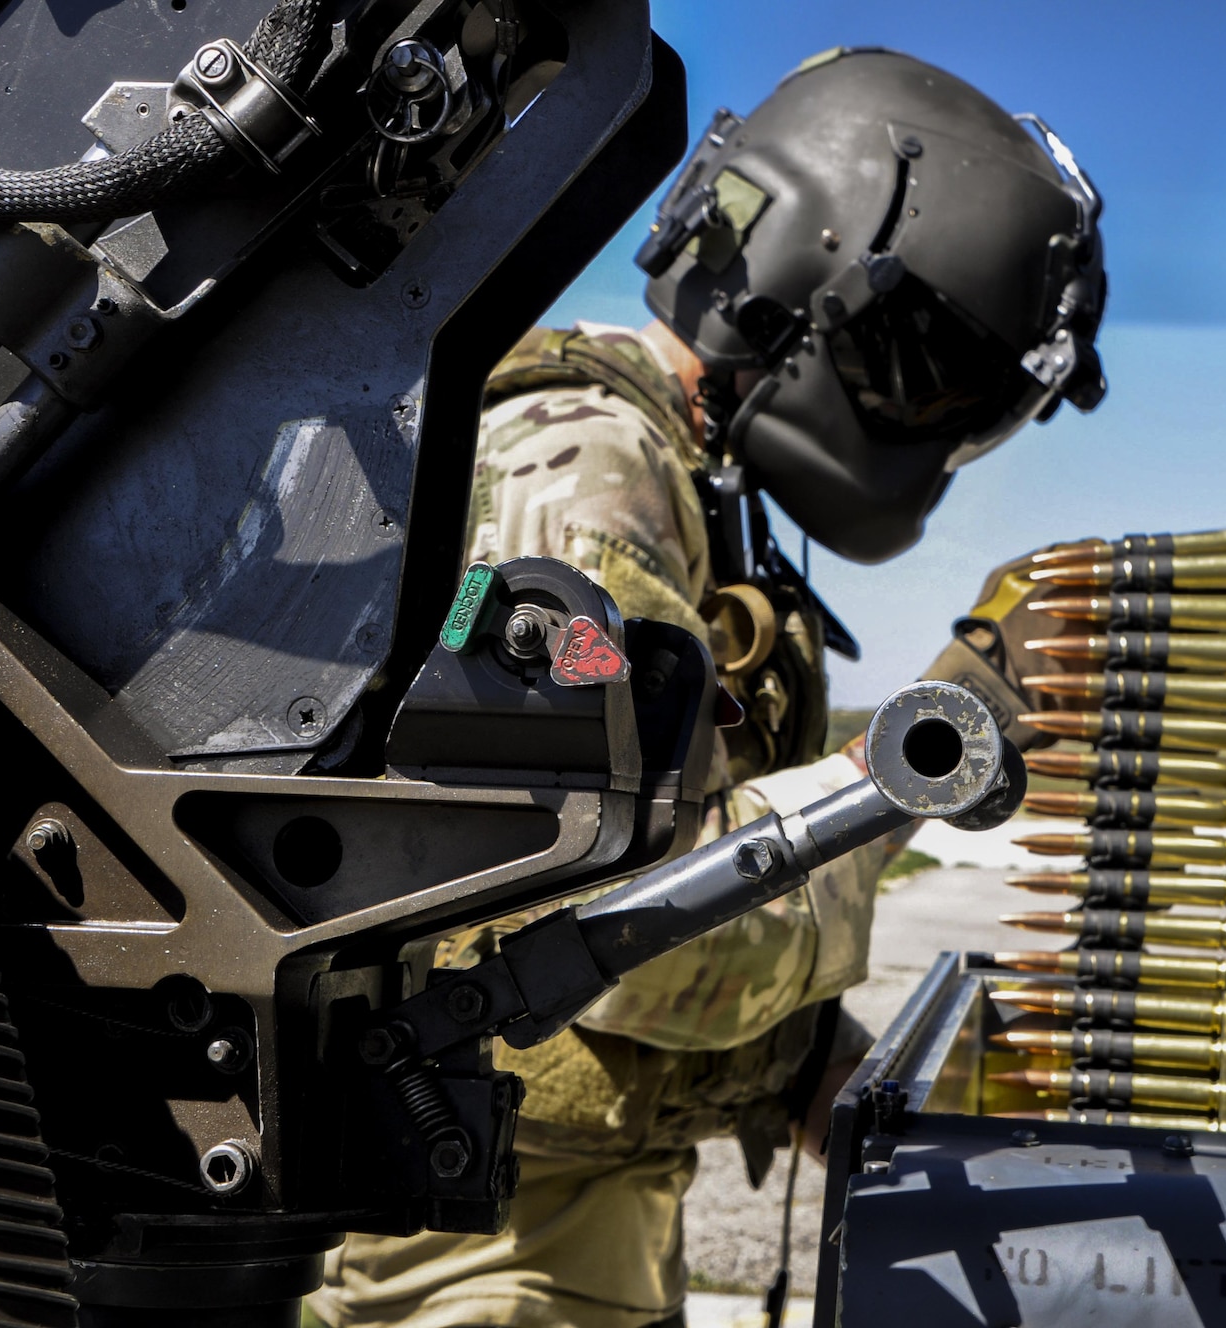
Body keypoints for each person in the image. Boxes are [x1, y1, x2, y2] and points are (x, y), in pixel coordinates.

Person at [306, 45, 1107, 1328]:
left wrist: (813, 1077)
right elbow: (592, 926)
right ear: (805, 284)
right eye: (929, 376)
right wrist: (909, 759)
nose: (935, 434)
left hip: (572, 1216)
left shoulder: (678, 480)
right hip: (481, 1255)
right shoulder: (580, 477)